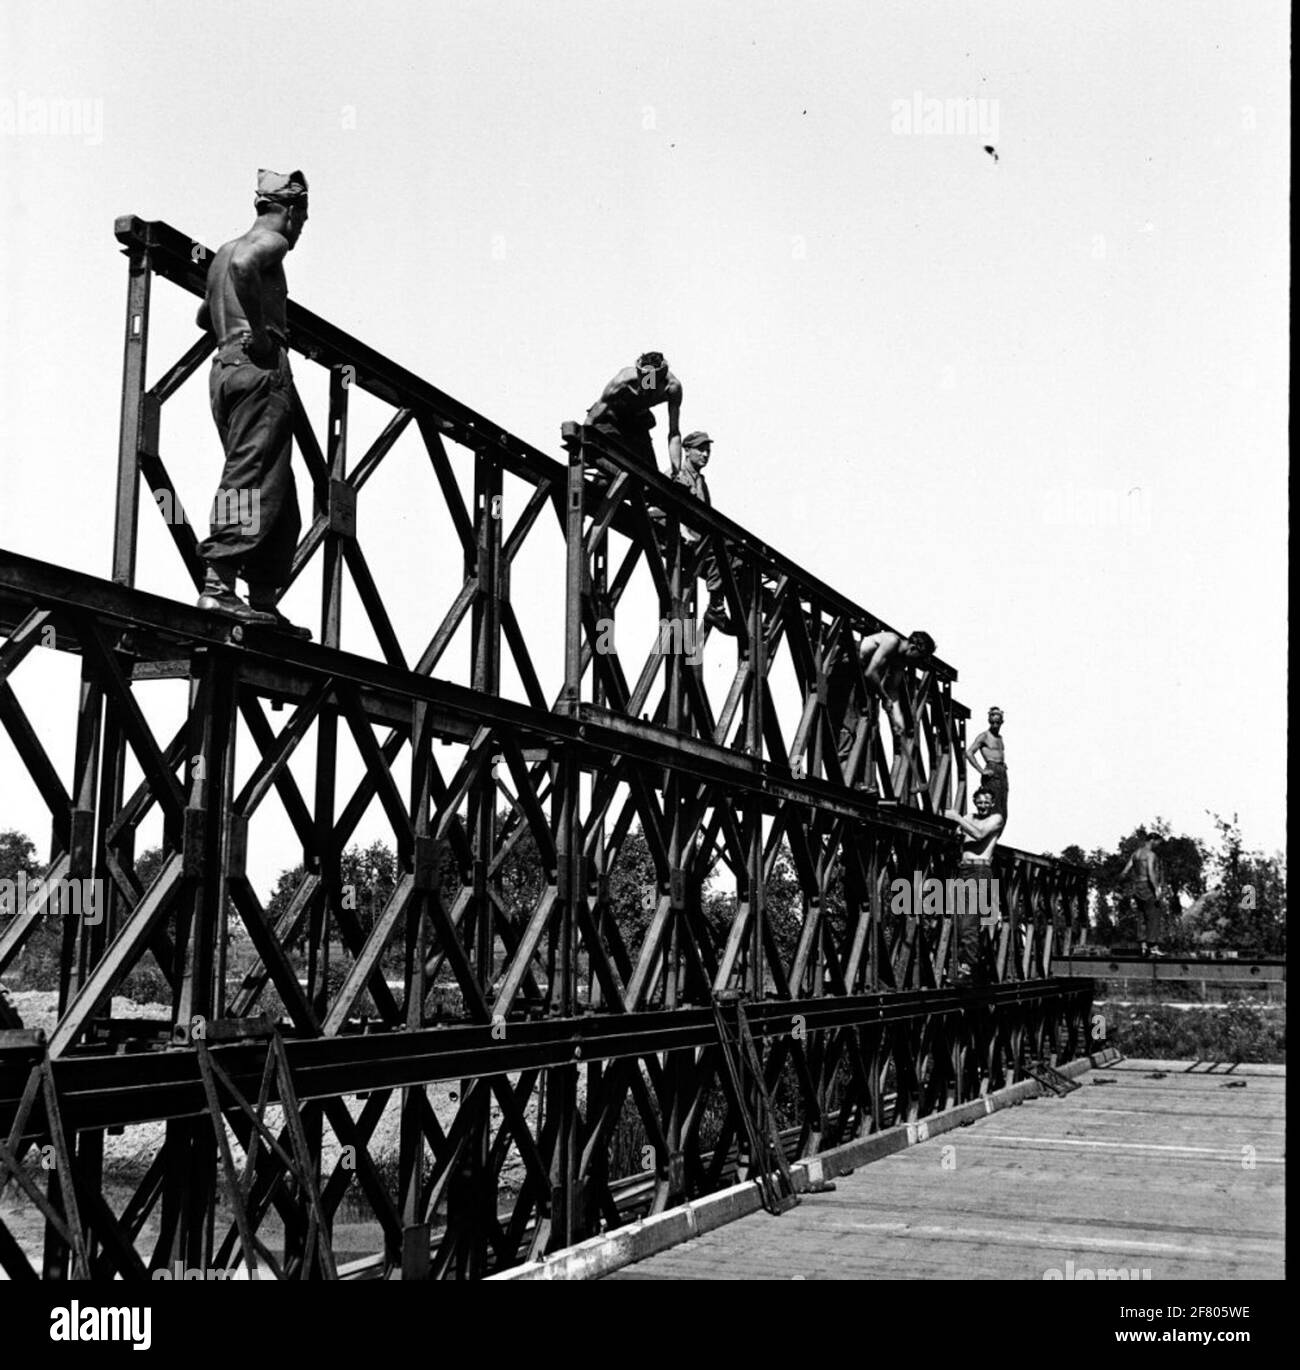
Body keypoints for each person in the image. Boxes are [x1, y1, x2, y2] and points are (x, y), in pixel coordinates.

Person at [194, 168, 311, 636]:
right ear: (289, 210)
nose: (300, 229)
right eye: (302, 218)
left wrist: (237, 328)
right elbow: (247, 268)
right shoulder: (271, 244)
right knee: (250, 475)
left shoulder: (221, 253)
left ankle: (262, 598)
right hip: (259, 369)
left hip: (226, 370)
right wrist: (261, 333)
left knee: (276, 487)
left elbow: (206, 314)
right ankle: (218, 586)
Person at [667, 430, 742, 635]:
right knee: (722, 549)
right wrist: (683, 534)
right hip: (685, 541)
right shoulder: (676, 476)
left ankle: (737, 613)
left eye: (708, 450)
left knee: (738, 559)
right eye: (701, 450)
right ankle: (716, 608)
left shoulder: (701, 482)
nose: (706, 455)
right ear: (687, 451)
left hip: (700, 542)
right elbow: (662, 510)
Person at [582, 351, 683, 477]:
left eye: (651, 383)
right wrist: (582, 438)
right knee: (611, 464)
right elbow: (593, 416)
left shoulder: (672, 388)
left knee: (649, 479)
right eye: (644, 381)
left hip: (637, 424)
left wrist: (677, 471)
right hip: (611, 419)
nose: (646, 388)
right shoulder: (623, 380)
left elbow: (674, 432)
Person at [943, 786, 1005, 984]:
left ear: (993, 803)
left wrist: (957, 818)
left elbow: (979, 834)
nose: (983, 806)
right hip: (964, 869)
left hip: (980, 870)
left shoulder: (996, 819)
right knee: (961, 919)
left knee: (969, 920)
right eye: (980, 802)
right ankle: (961, 965)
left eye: (987, 802)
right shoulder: (969, 817)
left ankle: (967, 969)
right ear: (974, 801)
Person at [858, 629, 937, 740]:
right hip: (848, 665)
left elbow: (892, 690)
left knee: (871, 727)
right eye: (920, 658)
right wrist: (885, 698)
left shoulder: (900, 661)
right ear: (912, 648)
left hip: (863, 681)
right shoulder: (892, 641)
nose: (918, 663)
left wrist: (898, 721)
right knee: (850, 724)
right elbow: (870, 673)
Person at [1119, 831, 1166, 957]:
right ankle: (1153, 946)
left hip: (1136, 887)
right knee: (1153, 914)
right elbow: (1151, 873)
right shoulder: (1150, 855)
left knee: (1141, 916)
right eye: (1158, 843)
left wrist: (1126, 885)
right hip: (1147, 886)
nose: (1157, 845)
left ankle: (1143, 945)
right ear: (1152, 840)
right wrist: (1156, 889)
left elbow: (1124, 871)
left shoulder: (1136, 854)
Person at [967, 706, 1008, 818]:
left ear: (1001, 722)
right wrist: (981, 770)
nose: (995, 725)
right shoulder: (984, 736)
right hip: (992, 770)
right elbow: (969, 753)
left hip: (1002, 771)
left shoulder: (1000, 738)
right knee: (991, 806)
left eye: (997, 722)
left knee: (1002, 807)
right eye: (993, 722)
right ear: (989, 721)